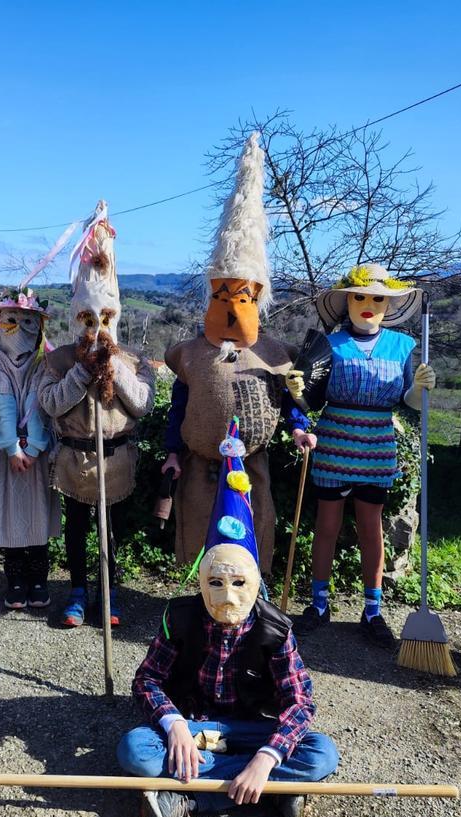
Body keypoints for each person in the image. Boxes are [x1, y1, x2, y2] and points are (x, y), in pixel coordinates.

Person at [117, 418, 340, 817]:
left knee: (321, 753)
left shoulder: (275, 629)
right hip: (193, 724)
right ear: (201, 580)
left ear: (255, 584)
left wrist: (266, 755)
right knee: (135, 750)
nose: (227, 596)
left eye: (239, 584)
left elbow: (300, 701)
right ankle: (268, 793)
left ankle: (190, 798)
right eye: (215, 583)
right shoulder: (180, 617)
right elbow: (146, 680)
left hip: (250, 728)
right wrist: (174, 724)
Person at [162, 132, 306, 578]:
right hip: (200, 468)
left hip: (250, 469)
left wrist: (300, 429)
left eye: (241, 298)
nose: (230, 308)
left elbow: (292, 399)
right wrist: (171, 451)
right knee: (202, 537)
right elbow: (180, 405)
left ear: (257, 296)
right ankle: (204, 604)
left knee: (250, 533)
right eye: (222, 297)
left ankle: (248, 604)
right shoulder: (191, 353)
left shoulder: (274, 352)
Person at [286, 263, 436, 647]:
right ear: (347, 301)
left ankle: (372, 609)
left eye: (377, 298)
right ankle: (319, 604)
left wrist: (420, 389)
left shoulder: (402, 347)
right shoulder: (328, 345)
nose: (368, 304)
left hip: (378, 444)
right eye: (360, 296)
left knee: (372, 528)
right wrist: (298, 393)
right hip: (334, 440)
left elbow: (409, 402)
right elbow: (310, 398)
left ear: (389, 304)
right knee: (327, 526)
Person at [35, 202, 155, 628]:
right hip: (74, 459)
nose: (96, 327)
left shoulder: (134, 359)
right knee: (77, 529)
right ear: (76, 317)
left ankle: (111, 590)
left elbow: (142, 404)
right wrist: (82, 372)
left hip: (116, 459)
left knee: (112, 532)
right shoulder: (59, 360)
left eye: (104, 318)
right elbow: (49, 404)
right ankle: (78, 591)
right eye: (88, 318)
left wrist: (113, 366)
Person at [0, 286, 60, 611]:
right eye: (11, 320)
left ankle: (39, 579)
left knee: (38, 513)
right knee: (10, 515)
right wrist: (12, 447)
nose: (19, 328)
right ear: (0, 323)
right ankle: (14, 580)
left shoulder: (47, 360)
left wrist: (34, 447)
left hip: (37, 452)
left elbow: (39, 403)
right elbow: (1, 402)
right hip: (7, 453)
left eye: (28, 321)